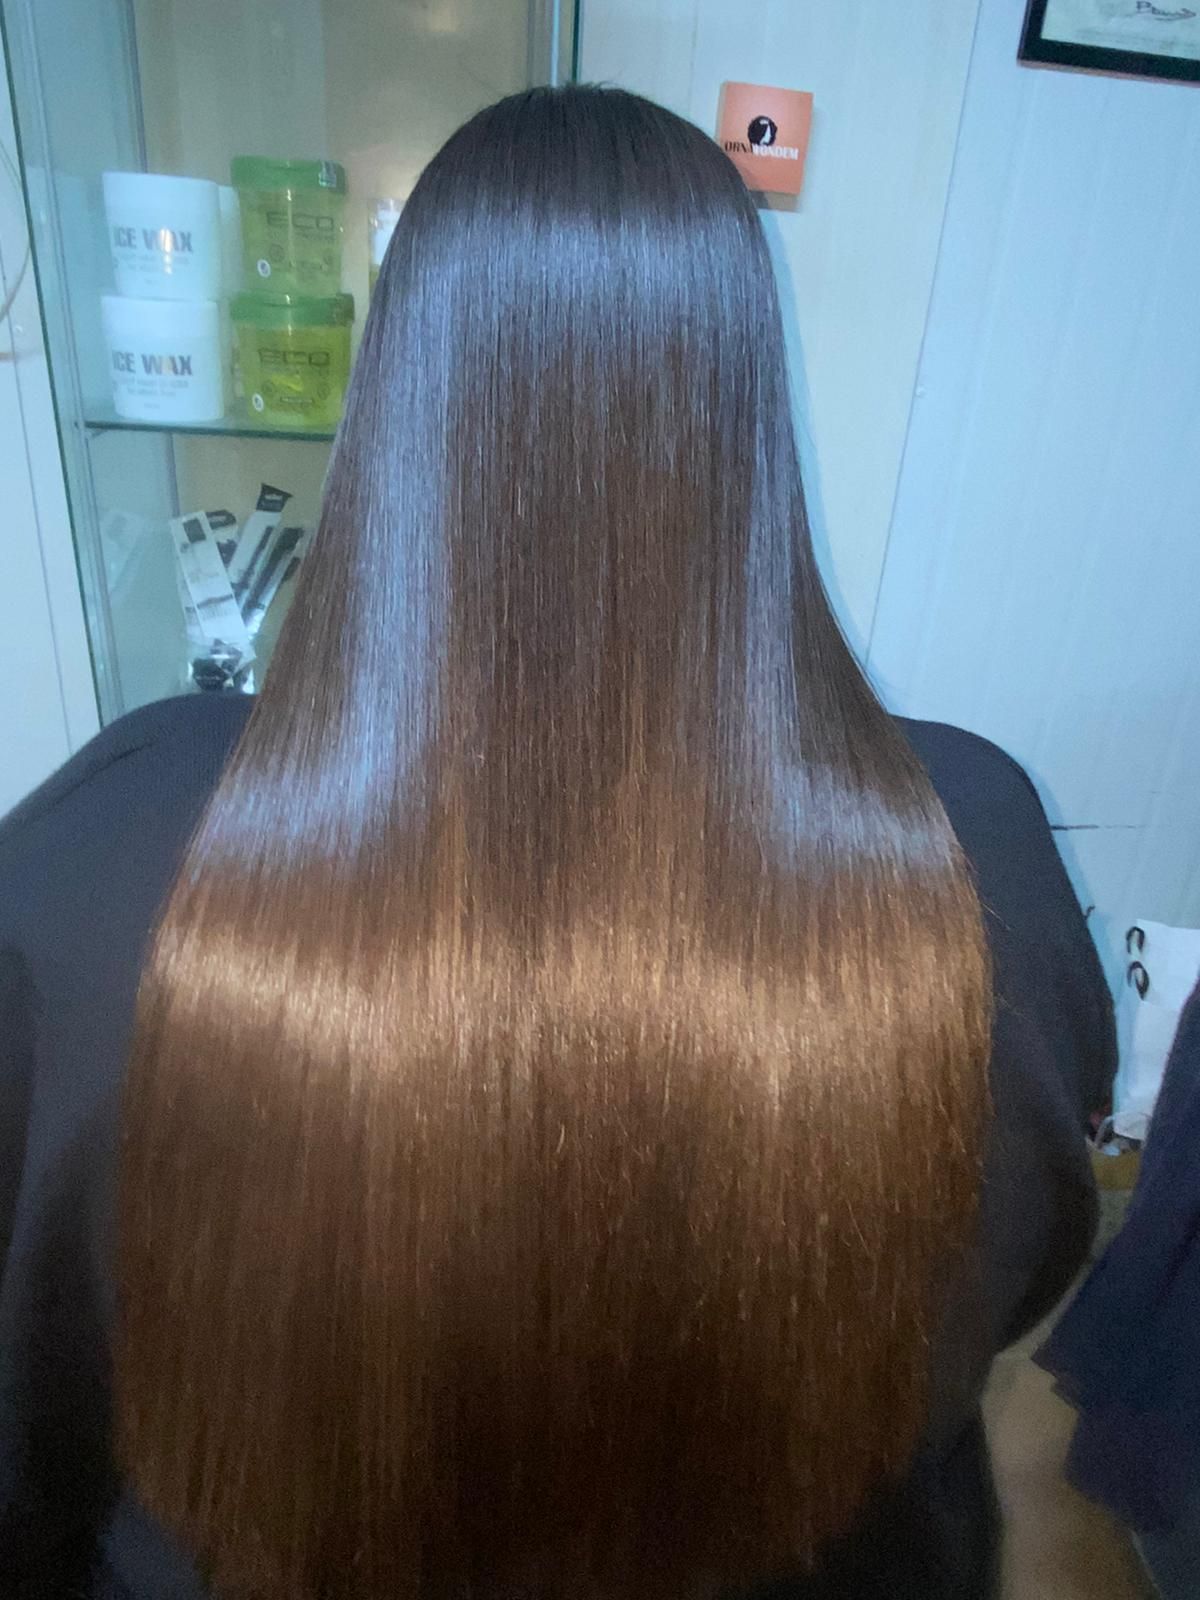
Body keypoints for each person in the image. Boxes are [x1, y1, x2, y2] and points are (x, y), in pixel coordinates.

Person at [0, 86, 1113, 1600]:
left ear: (401, 394)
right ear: (741, 400)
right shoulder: (972, 847)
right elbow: (1010, 1284)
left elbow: (34, 1393)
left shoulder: (115, 848)